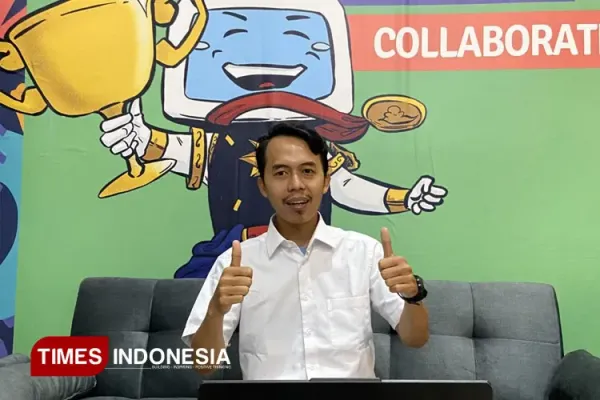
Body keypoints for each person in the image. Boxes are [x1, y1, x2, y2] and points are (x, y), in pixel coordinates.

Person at [181, 122, 429, 380]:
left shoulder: (364, 252)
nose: (296, 184)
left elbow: (415, 338)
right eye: (281, 173)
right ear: (263, 186)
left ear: (326, 182)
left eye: (308, 171)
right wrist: (216, 310)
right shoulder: (236, 262)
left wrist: (412, 296)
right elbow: (203, 365)